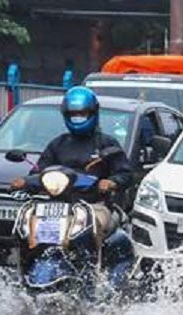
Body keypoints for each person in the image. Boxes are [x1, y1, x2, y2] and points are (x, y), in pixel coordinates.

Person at [11, 86, 133, 240]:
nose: (77, 117)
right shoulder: (58, 144)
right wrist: (25, 182)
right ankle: (24, 259)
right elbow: (40, 171)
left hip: (94, 204)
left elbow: (125, 174)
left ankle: (93, 262)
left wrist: (111, 182)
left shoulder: (107, 143)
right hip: (55, 206)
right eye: (73, 114)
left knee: (93, 225)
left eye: (82, 113)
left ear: (93, 113)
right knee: (27, 225)